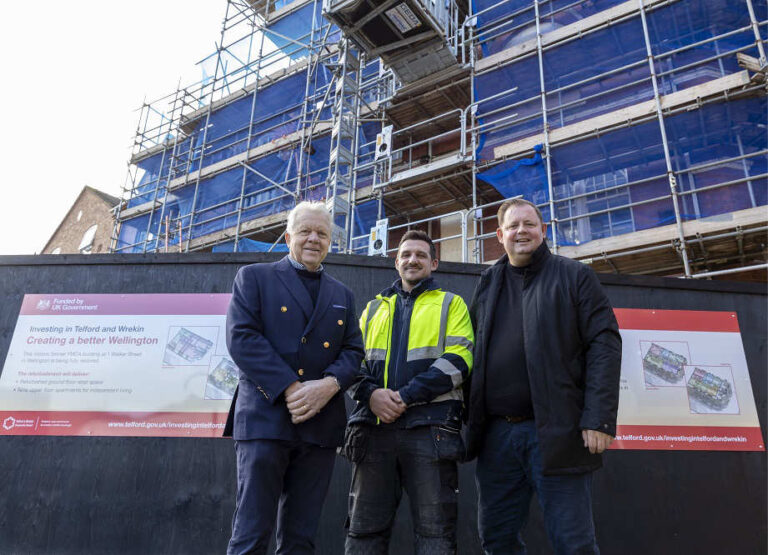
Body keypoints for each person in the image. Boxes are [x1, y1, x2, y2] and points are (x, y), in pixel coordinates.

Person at [466, 198, 622, 554]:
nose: (522, 231)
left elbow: (605, 344)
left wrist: (598, 418)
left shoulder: (575, 276)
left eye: (529, 224)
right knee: (497, 539)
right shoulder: (488, 281)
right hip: (497, 437)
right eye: (513, 226)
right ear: (499, 235)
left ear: (543, 230)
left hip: (557, 431)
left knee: (573, 543)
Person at [224, 201, 364, 555]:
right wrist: (292, 387)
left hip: (319, 426)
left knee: (301, 538)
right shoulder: (254, 277)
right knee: (251, 532)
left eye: (322, 233)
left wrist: (328, 385)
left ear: (331, 242)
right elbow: (242, 338)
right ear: (288, 236)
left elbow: (353, 352)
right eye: (305, 231)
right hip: (264, 419)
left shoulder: (343, 295)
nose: (314, 239)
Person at [344, 230, 474, 554]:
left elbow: (459, 361)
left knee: (435, 535)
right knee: (363, 533)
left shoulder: (451, 304)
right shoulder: (373, 309)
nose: (412, 259)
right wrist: (371, 395)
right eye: (405, 254)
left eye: (419, 255)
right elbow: (349, 362)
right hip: (373, 431)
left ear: (433, 263)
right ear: (396, 262)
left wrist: (404, 397)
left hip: (430, 431)